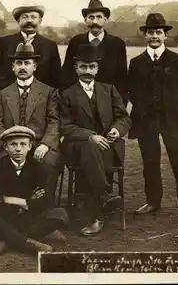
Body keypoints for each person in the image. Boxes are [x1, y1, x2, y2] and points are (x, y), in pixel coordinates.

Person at [128, 13, 178, 224]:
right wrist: (144, 109)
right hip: (147, 121)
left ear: (165, 36)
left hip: (173, 121)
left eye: (158, 32)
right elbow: (131, 92)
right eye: (151, 32)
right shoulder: (136, 63)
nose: (154, 36)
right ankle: (153, 201)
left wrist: (173, 107)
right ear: (145, 35)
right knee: (150, 161)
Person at [59, 44, 131, 235]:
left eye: (91, 67)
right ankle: (103, 199)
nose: (87, 71)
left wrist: (117, 129)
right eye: (83, 67)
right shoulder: (66, 95)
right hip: (77, 149)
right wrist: (91, 136)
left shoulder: (109, 90)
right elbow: (66, 127)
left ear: (97, 69)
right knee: (89, 148)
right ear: (76, 69)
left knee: (93, 156)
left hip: (109, 147)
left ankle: (99, 205)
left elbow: (124, 117)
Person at [0, 126, 68, 256]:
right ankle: (29, 243)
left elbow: (45, 201)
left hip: (28, 218)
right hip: (5, 218)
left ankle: (5, 242)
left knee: (60, 214)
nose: (18, 149)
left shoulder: (40, 168)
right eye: (13, 144)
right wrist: (28, 201)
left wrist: (8, 199)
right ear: (5, 147)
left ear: (30, 146)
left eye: (23, 144)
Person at [0, 42, 61, 187]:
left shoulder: (48, 92)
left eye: (27, 63)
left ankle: (43, 204)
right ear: (13, 67)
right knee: (1, 163)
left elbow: (55, 121)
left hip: (39, 143)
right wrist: (6, 145)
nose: (22, 67)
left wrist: (46, 144)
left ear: (34, 66)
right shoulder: (3, 94)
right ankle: (9, 204)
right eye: (19, 63)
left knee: (48, 163)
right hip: (10, 144)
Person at [60, 0, 128, 103]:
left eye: (99, 17)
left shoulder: (117, 44)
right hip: (80, 103)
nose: (95, 21)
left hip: (108, 103)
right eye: (91, 17)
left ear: (105, 19)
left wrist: (118, 107)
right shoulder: (76, 42)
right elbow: (67, 75)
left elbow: (122, 80)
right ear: (85, 20)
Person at [0, 5, 62, 92]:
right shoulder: (4, 42)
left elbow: (56, 77)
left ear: (40, 21)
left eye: (33, 17)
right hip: (7, 98)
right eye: (25, 17)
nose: (29, 20)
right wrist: (5, 93)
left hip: (40, 99)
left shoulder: (50, 45)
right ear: (18, 21)